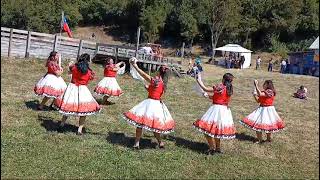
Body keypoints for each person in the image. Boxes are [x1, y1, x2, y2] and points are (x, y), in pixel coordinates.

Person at [123, 57, 175, 149]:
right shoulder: (164, 83)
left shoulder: (156, 80)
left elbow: (143, 74)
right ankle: (160, 142)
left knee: (140, 123)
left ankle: (137, 143)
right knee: (155, 126)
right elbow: (158, 94)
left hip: (150, 104)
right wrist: (148, 88)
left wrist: (135, 66)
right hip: (157, 104)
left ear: (159, 71)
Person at [54, 53, 101, 135]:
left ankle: (62, 125)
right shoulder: (89, 71)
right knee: (84, 110)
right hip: (83, 89)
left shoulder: (74, 67)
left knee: (67, 107)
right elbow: (91, 78)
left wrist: (69, 66)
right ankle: (79, 130)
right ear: (88, 61)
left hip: (72, 88)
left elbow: (69, 72)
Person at [193, 73, 236, 155]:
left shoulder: (220, 87)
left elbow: (205, 88)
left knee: (207, 130)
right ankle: (218, 148)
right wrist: (207, 96)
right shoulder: (229, 88)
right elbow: (216, 97)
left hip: (216, 110)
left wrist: (199, 81)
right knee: (217, 131)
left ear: (223, 79)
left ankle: (212, 148)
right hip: (224, 111)